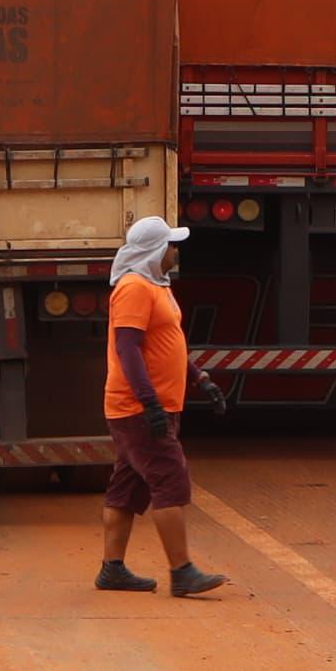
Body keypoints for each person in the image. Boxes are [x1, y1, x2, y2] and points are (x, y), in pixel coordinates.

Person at [96, 216, 223, 598]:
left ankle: (112, 570)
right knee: (169, 479)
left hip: (150, 405)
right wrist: (148, 401)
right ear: (154, 250)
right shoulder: (134, 288)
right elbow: (128, 348)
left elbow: (166, 342)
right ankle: (182, 571)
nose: (175, 251)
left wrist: (201, 379)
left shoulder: (155, 287)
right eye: (171, 244)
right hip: (137, 407)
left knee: (128, 486)